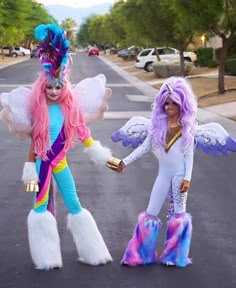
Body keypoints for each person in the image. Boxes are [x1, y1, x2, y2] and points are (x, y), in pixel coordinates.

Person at [0, 24, 114, 270]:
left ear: (65, 87)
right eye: (49, 87)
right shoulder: (38, 111)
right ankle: (46, 257)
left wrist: (107, 159)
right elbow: (35, 141)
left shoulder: (70, 110)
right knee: (39, 204)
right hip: (41, 164)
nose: (53, 91)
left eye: (58, 87)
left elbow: (85, 136)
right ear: (43, 87)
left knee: (74, 203)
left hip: (60, 163)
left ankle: (92, 252)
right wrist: (30, 170)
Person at [115, 76, 197, 267]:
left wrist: (187, 178)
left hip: (180, 177)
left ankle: (175, 256)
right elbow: (144, 148)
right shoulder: (157, 127)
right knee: (151, 211)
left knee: (178, 213)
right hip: (163, 175)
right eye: (166, 103)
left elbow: (189, 155)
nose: (169, 107)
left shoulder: (187, 128)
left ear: (182, 104)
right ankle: (140, 254)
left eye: (174, 103)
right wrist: (124, 162)